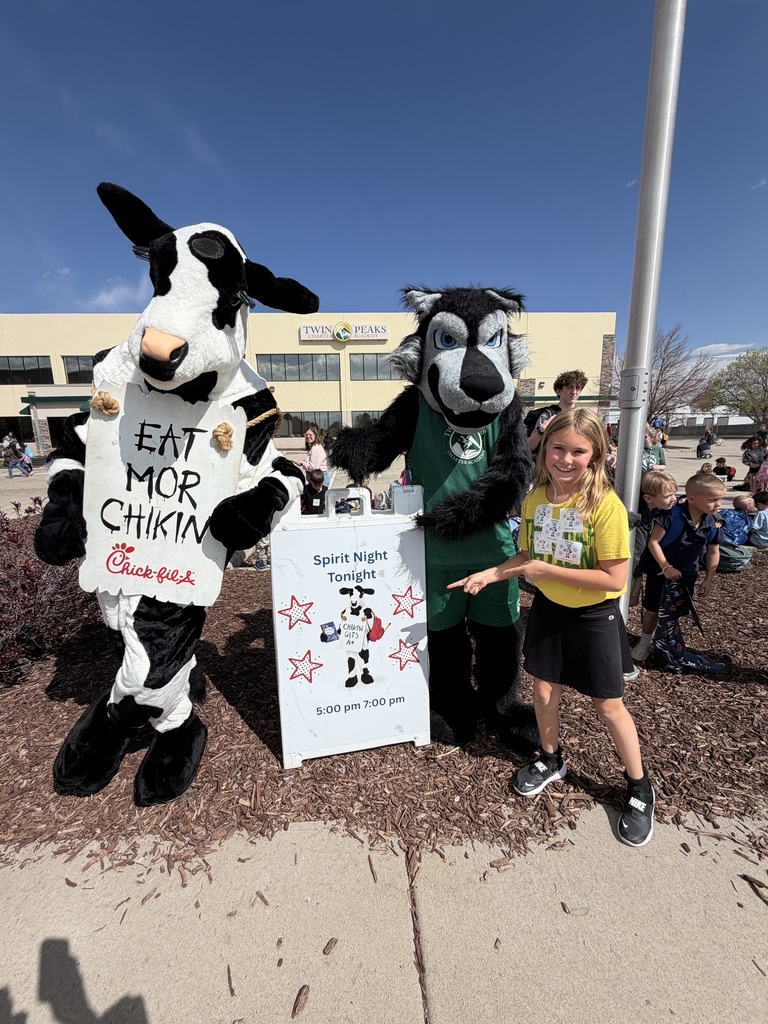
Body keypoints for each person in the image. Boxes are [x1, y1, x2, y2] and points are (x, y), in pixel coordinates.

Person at [448, 408, 654, 848]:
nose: (565, 458)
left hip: (594, 619)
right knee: (543, 693)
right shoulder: (535, 500)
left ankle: (639, 787)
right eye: (558, 448)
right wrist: (491, 574)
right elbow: (526, 559)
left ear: (596, 454)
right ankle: (550, 758)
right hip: (549, 612)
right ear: (544, 449)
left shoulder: (605, 507)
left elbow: (614, 580)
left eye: (578, 451)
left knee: (608, 706)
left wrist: (548, 571)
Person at [631, 473, 724, 667]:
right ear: (691, 498)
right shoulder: (669, 516)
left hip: (686, 576)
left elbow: (713, 551)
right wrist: (665, 566)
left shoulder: (711, 523)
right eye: (713, 500)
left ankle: (663, 644)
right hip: (661, 575)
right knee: (652, 610)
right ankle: (645, 641)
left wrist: (708, 578)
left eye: (720, 500)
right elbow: (653, 542)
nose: (718, 504)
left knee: (673, 613)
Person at [629, 469, 679, 608]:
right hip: (630, 566)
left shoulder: (658, 510)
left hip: (637, 566)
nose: (674, 498)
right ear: (648, 498)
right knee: (623, 601)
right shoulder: (637, 515)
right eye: (668, 496)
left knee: (632, 601)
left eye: (674, 494)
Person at [525, 369, 588, 453]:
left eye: (578, 388)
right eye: (569, 388)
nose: (574, 392)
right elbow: (528, 447)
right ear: (558, 391)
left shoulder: (583, 417)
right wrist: (541, 431)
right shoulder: (547, 415)